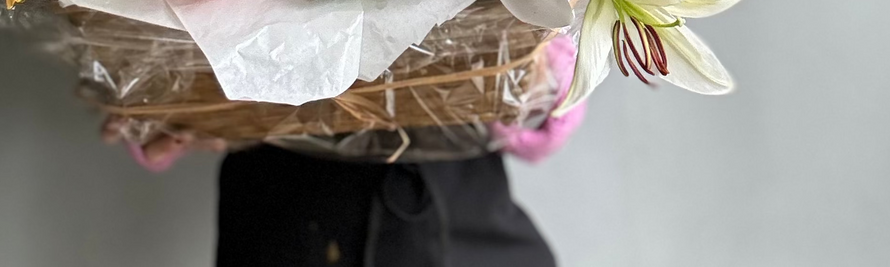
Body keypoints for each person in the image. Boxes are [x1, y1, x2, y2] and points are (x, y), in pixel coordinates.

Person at [104, 119, 556, 266]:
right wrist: (169, 106)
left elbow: (549, 82)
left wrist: (542, 80)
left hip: (460, 216)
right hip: (288, 217)